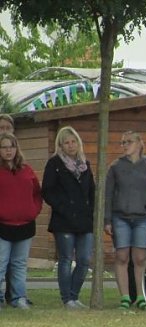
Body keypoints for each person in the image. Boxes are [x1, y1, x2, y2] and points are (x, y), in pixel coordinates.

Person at [41, 126, 95, 310]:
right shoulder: (55, 164)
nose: (71, 145)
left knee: (84, 259)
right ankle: (67, 298)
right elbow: (47, 191)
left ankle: (74, 295)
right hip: (64, 220)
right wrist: (63, 207)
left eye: (73, 141)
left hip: (84, 220)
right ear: (61, 145)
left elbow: (92, 191)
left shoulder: (85, 164)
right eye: (67, 142)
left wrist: (91, 210)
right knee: (65, 258)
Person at [105, 130, 146, 310]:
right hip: (120, 216)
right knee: (122, 256)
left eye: (129, 142)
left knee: (140, 257)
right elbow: (108, 195)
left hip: (143, 217)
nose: (125, 145)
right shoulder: (115, 167)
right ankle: (125, 297)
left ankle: (141, 296)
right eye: (122, 142)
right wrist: (107, 220)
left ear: (138, 144)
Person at [0, 133, 42, 310]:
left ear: (16, 148)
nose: (8, 150)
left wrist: (33, 211)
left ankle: (19, 298)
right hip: (2, 226)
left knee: (19, 264)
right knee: (1, 263)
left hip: (25, 225)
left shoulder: (27, 170)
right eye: (4, 147)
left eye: (11, 146)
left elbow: (37, 194)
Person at [0, 114, 15, 305]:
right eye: (0, 128)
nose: (4, 131)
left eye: (7, 128)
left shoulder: (18, 159)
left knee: (15, 262)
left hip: (15, 220)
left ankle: (14, 295)